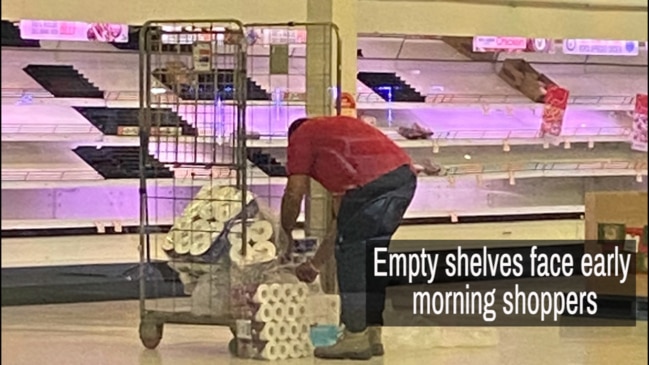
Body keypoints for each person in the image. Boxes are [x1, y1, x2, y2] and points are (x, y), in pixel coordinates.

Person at [280, 115, 418, 360]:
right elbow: (342, 224)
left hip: (374, 185)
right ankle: (372, 335)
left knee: (352, 255)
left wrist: (286, 232)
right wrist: (315, 265)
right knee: (371, 255)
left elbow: (294, 192)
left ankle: (355, 336)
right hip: (404, 179)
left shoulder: (302, 134)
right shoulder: (338, 144)